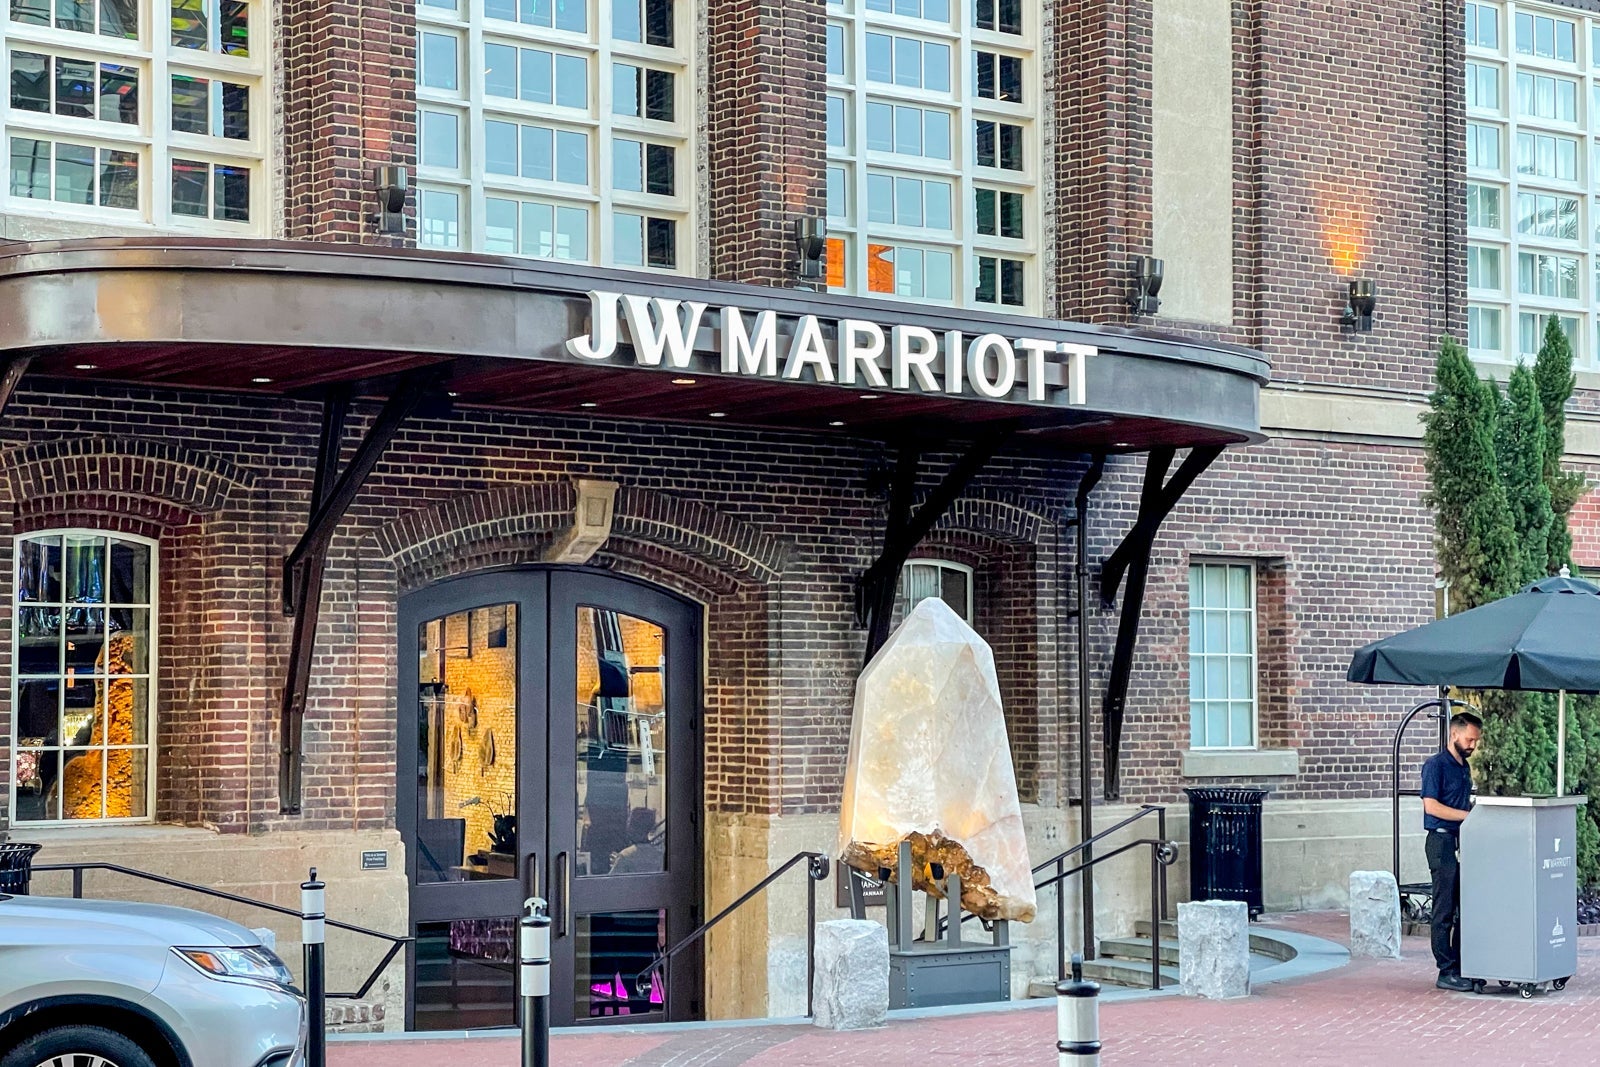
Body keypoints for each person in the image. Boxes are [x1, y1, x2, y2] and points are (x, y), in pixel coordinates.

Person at [1421, 710, 1482, 992]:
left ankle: (1461, 965)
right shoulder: (1435, 765)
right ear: (1454, 734)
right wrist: (1466, 816)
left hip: (1462, 841)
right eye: (1469, 739)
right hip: (1441, 841)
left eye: (1476, 741)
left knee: (1465, 907)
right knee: (1444, 909)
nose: (1473, 745)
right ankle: (1445, 970)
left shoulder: (1463, 768)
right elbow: (1431, 807)